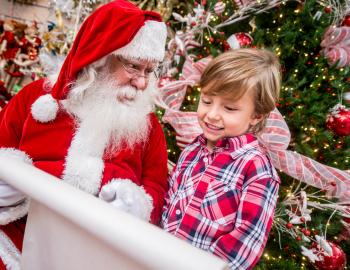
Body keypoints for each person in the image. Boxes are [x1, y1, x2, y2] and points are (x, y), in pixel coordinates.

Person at [0, 0, 168, 268]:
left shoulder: (147, 127)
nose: (142, 82)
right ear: (100, 57)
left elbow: (157, 186)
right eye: (133, 66)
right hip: (16, 249)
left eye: (149, 70)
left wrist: (138, 207)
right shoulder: (34, 99)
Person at [161, 48, 281, 270]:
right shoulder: (191, 151)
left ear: (256, 115)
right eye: (206, 101)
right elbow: (169, 201)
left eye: (229, 108)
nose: (212, 114)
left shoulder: (256, 168)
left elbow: (247, 239)